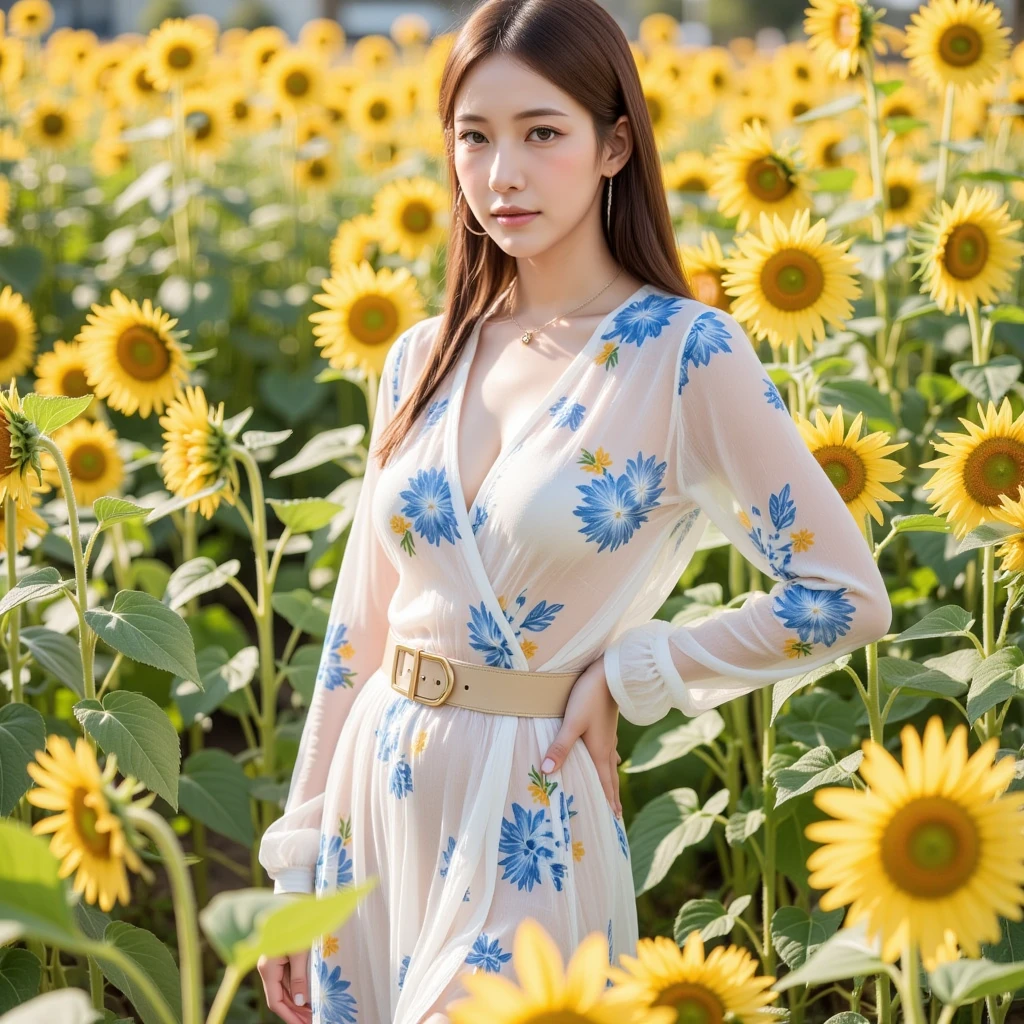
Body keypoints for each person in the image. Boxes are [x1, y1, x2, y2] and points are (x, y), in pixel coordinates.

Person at [256, 0, 893, 1020]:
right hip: (377, 801)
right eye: (475, 137)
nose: (500, 173)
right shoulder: (419, 355)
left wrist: (638, 669)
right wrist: (295, 860)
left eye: (539, 134)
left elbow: (845, 595)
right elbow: (356, 630)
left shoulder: (685, 355)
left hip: (529, 798)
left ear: (612, 146)